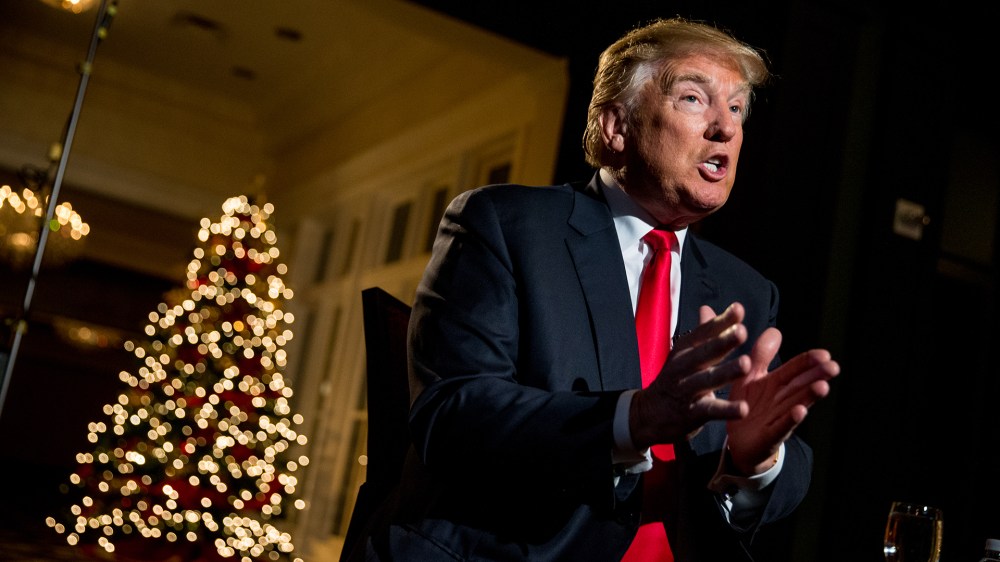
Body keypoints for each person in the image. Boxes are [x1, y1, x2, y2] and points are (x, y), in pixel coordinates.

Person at [349, 16, 840, 562]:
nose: (725, 128)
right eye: (695, 99)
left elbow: (777, 472)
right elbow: (453, 415)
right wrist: (634, 419)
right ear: (616, 127)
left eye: (738, 108)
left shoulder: (743, 289)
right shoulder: (507, 226)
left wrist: (755, 461)